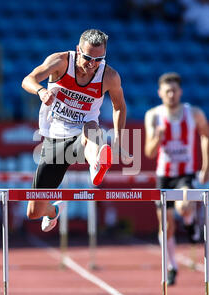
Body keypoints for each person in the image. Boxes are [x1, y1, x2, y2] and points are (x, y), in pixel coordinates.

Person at [21, 29, 131, 232]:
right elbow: (28, 79)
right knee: (34, 212)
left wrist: (118, 137)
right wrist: (41, 90)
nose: (92, 64)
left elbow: (119, 106)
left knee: (92, 130)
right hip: (56, 136)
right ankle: (54, 211)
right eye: (88, 58)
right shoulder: (61, 62)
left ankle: (97, 163)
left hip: (83, 132)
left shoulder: (109, 76)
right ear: (78, 50)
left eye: (99, 59)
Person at [144, 72, 209, 285]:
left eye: (174, 90)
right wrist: (158, 137)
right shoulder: (153, 116)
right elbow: (149, 152)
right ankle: (172, 266)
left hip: (185, 173)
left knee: (184, 206)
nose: (171, 95)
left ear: (180, 92)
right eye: (167, 91)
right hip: (164, 176)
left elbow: (206, 136)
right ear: (160, 93)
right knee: (166, 226)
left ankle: (191, 221)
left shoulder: (194, 113)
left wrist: (206, 166)